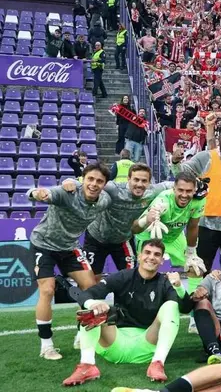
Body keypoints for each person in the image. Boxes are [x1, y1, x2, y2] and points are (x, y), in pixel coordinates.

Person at [63, 239, 193, 386]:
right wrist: (93, 303)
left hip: (147, 346)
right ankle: (87, 365)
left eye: (157, 255)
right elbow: (87, 293)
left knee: (171, 305)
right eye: (147, 252)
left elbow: (186, 308)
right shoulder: (123, 276)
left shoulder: (165, 282)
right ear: (139, 256)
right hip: (115, 344)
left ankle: (158, 363)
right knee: (90, 308)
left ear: (162, 260)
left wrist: (179, 287)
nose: (151, 257)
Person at [26, 163, 112, 360]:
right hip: (43, 244)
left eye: (99, 181)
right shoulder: (67, 193)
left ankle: (81, 335)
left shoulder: (104, 200)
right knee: (47, 290)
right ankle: (46, 345)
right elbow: (35, 193)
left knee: (90, 288)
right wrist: (38, 193)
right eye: (90, 179)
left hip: (70, 247)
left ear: (104, 184)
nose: (94, 184)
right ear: (83, 179)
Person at [171, 118, 221, 300]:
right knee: (200, 266)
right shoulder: (206, 157)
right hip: (205, 222)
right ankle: (198, 305)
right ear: (218, 138)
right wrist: (175, 162)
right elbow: (182, 176)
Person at [63, 163, 171, 278]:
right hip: (96, 239)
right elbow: (87, 183)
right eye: (136, 180)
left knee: (131, 279)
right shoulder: (114, 189)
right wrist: (69, 182)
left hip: (123, 240)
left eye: (144, 181)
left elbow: (173, 185)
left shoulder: (152, 192)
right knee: (92, 281)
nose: (139, 184)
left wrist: (193, 189)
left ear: (149, 183)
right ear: (128, 179)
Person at [132, 172, 207, 298]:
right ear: (173, 189)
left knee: (195, 266)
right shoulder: (164, 199)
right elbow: (135, 228)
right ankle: (141, 301)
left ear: (194, 190)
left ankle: (193, 304)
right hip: (152, 236)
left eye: (188, 191)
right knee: (147, 270)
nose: (184, 195)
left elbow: (193, 227)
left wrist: (191, 252)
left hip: (174, 237)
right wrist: (154, 215)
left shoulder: (198, 201)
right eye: (180, 190)